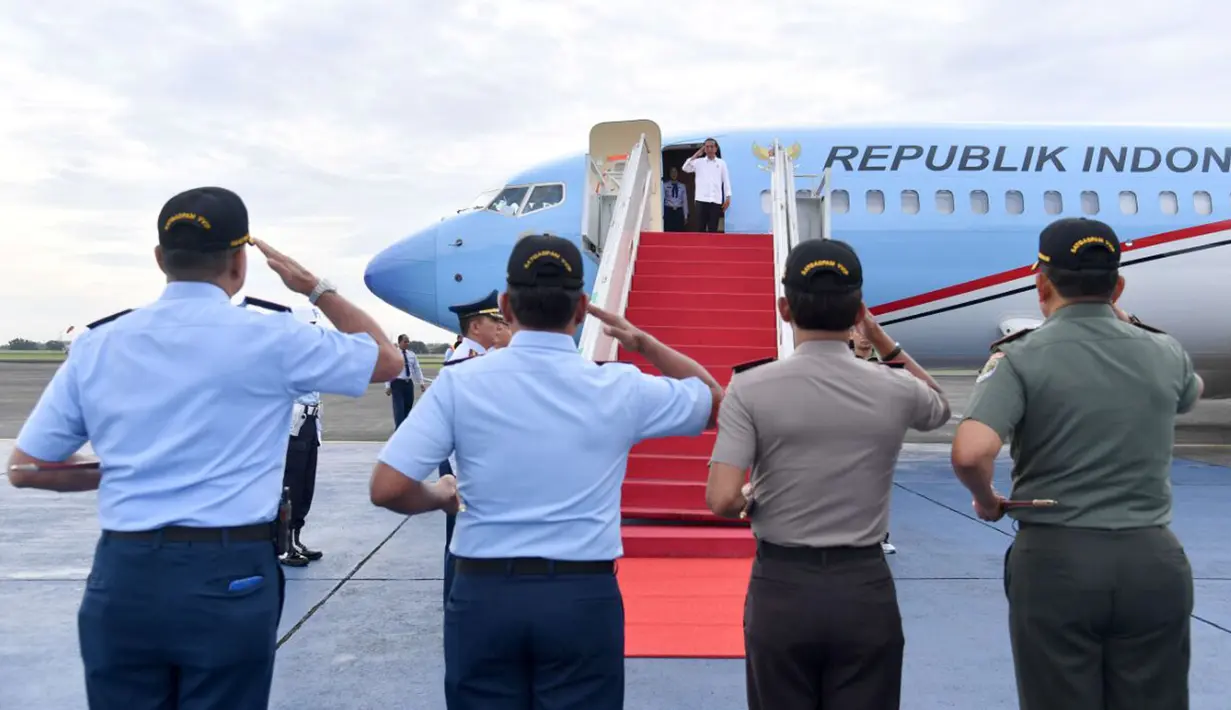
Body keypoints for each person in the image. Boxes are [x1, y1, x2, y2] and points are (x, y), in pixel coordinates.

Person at [5, 186, 402, 710]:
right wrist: (315, 287)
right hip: (227, 572)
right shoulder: (274, 339)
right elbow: (387, 361)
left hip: (125, 572)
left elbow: (28, 467)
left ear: (159, 259)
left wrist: (122, 469)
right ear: (239, 263)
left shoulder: (99, 344)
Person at [368, 232, 724, 709]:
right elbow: (714, 402)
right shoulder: (619, 387)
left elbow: (387, 487)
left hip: (484, 594)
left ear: (505, 305)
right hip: (581, 597)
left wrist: (441, 495)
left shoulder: (460, 384)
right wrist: (643, 342)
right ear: (581, 309)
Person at [951, 216, 1201, 710]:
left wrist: (988, 500)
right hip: (1152, 560)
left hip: (1056, 562)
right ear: (1119, 286)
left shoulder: (1020, 357)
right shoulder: (1166, 352)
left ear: (1041, 283)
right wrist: (1125, 326)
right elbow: (1189, 395)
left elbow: (971, 451)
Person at [707, 238, 951, 710]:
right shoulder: (894, 389)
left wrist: (752, 496)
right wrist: (881, 339)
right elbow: (939, 407)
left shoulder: (750, 387)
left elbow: (721, 499)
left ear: (784, 308)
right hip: (863, 588)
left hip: (782, 589)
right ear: (859, 310)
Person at [437, 289, 506, 605]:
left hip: (481, 467)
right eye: (494, 320)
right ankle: (455, 599)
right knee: (460, 539)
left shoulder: (483, 361)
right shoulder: (463, 365)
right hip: (466, 470)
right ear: (476, 326)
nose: (499, 326)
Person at [279, 305, 328, 567]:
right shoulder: (288, 355)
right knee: (291, 486)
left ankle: (296, 537)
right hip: (293, 426)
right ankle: (283, 545)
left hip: (310, 423)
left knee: (306, 485)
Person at [680, 137, 731, 233]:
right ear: (704, 149)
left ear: (716, 148)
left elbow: (726, 181)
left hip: (715, 200)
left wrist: (728, 197)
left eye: (712, 147)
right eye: (707, 147)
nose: (709, 149)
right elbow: (685, 167)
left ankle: (712, 247)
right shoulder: (698, 162)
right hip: (701, 200)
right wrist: (697, 154)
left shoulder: (721, 163)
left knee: (713, 228)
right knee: (700, 227)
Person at [386, 334, 425, 428]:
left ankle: (405, 429)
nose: (407, 343)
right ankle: (399, 431)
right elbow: (388, 370)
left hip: (408, 384)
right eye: (405, 341)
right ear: (399, 342)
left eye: (408, 341)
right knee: (399, 409)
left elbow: (417, 369)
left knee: (408, 408)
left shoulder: (412, 355)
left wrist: (421, 382)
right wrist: (388, 386)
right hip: (397, 384)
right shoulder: (393, 354)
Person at [663, 166, 689, 231]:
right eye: (672, 172)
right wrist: (662, 214)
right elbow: (662, 200)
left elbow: (685, 201)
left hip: (679, 211)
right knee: (668, 231)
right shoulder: (665, 185)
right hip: (668, 210)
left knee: (679, 231)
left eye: (675, 172)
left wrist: (685, 216)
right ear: (669, 173)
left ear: (678, 173)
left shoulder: (682, 186)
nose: (674, 174)